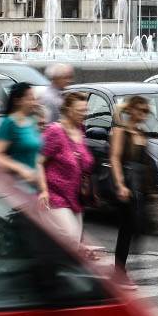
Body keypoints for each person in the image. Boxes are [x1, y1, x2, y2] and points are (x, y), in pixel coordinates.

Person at [108, 95, 157, 288]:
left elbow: (145, 164)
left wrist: (151, 189)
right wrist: (120, 185)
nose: (144, 114)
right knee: (127, 229)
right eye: (141, 110)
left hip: (139, 188)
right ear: (132, 110)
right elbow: (115, 159)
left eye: (146, 111)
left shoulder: (141, 133)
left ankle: (124, 268)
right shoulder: (121, 132)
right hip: (127, 187)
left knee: (137, 227)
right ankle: (119, 273)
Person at [41, 92, 94, 246]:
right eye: (80, 111)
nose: (84, 114)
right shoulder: (55, 131)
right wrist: (43, 190)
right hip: (55, 195)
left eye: (85, 111)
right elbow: (39, 161)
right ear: (69, 109)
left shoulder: (80, 130)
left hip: (75, 197)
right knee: (70, 237)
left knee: (75, 242)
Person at [0, 82, 47, 204]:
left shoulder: (32, 122)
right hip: (14, 191)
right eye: (30, 99)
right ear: (18, 101)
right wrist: (20, 168)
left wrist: (44, 190)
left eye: (35, 99)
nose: (34, 103)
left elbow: (36, 160)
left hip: (32, 191)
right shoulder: (9, 123)